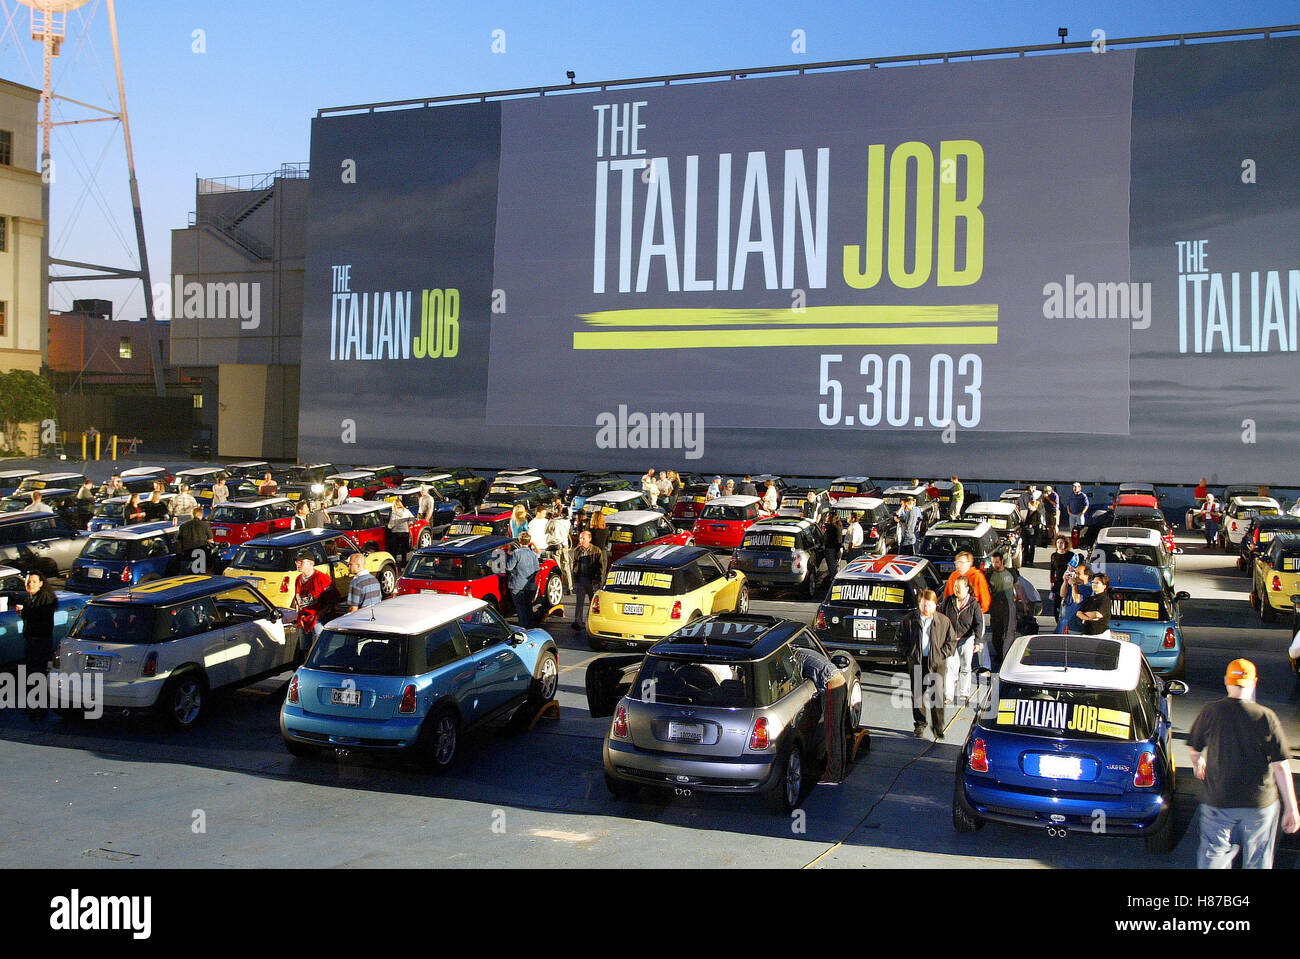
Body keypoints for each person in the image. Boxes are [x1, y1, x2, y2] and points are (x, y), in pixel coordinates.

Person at [1188, 659, 1300, 869]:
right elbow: (1280, 766)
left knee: (1214, 854)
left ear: (1226, 681)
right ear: (1254, 682)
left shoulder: (1211, 712)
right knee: (1258, 858)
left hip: (1218, 800)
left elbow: (1194, 748)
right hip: (1259, 804)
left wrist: (1199, 762)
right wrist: (1292, 808)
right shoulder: (1266, 717)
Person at [900, 589, 957, 739]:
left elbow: (951, 642)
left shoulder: (943, 621)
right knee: (918, 695)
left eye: (930, 605)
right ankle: (919, 724)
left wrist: (941, 655)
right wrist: (909, 654)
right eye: (924, 605)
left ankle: (938, 726)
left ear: (935, 605)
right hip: (917, 662)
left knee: (937, 696)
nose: (927, 608)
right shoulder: (909, 620)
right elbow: (900, 639)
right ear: (919, 604)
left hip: (937, 664)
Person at [792, 643, 849, 784]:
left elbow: (795, 681)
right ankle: (838, 773)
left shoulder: (797, 657)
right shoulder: (806, 652)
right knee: (838, 732)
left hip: (832, 686)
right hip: (840, 683)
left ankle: (832, 776)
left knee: (831, 734)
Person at [17, 571, 57, 721]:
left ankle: (39, 709)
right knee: (31, 673)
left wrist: (25, 613)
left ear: (41, 583)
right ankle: (32, 705)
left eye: (34, 582)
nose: (30, 585)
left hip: (40, 641)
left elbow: (42, 619)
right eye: (28, 582)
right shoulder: (29, 598)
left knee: (37, 674)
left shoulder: (45, 598)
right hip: (32, 640)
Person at [940, 576, 983, 706]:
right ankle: (948, 695)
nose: (956, 589)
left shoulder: (974, 604)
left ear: (967, 589)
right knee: (949, 667)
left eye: (959, 587)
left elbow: (978, 623)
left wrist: (978, 641)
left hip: (967, 640)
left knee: (965, 667)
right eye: (955, 586)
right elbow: (941, 618)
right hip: (951, 640)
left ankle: (964, 693)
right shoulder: (948, 601)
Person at [293, 553, 339, 645]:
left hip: (319, 620)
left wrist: (321, 614)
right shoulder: (298, 579)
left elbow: (334, 598)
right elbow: (298, 600)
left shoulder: (321, 578)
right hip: (305, 619)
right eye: (296, 562)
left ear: (311, 563)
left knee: (317, 647)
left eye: (301, 562)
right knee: (305, 648)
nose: (297, 564)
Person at [985, 552, 1017, 668]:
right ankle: (999, 653)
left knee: (1009, 630)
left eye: (997, 562)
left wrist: (1024, 602)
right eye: (992, 562)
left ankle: (1007, 655)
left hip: (1009, 605)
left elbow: (1018, 586)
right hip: (995, 606)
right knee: (996, 631)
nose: (994, 564)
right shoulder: (989, 575)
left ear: (1002, 561)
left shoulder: (1011, 572)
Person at [506, 531, 541, 629]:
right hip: (530, 585)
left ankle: (523, 627)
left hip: (517, 585)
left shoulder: (517, 553)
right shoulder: (533, 554)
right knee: (528, 606)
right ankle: (530, 626)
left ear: (520, 541)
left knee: (520, 608)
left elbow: (509, 567)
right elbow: (537, 569)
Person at [571, 529, 605, 631]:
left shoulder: (596, 550)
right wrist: (575, 580)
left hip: (592, 580)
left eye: (583, 538)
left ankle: (591, 622)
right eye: (580, 538)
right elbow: (575, 566)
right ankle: (578, 622)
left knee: (592, 603)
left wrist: (597, 579)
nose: (581, 540)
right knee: (579, 602)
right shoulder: (577, 550)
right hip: (581, 579)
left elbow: (601, 567)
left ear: (589, 539)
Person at [1057, 560, 1093, 634]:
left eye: (1078, 573)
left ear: (1087, 576)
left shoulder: (1088, 589)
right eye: (1075, 573)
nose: (1075, 575)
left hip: (1076, 626)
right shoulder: (1075, 587)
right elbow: (1062, 594)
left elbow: (1077, 599)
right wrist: (1065, 581)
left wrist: (1073, 585)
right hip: (1065, 623)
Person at [177, 506, 214, 572]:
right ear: (202, 515)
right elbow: (210, 538)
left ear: (193, 514)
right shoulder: (205, 525)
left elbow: (179, 541)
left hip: (187, 554)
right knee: (200, 576)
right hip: (201, 554)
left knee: (185, 575)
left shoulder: (184, 525)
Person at [1076, 571, 1111, 638]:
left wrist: (1085, 614)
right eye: (1093, 582)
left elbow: (1098, 614)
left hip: (1100, 635)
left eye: (1097, 583)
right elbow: (1078, 613)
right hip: (1087, 634)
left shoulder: (1105, 600)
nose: (1094, 584)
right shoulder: (1089, 599)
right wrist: (1089, 618)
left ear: (1104, 586)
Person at [1048, 535, 1073, 621]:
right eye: (1058, 542)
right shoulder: (1054, 555)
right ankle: (1057, 619)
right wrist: (1051, 583)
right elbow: (1052, 570)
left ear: (1065, 544)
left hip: (1068, 581)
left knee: (1067, 599)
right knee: (1057, 602)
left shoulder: (1070, 555)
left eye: (1061, 542)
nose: (1059, 544)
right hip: (1058, 581)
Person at [386, 497, 413, 565]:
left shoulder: (394, 513)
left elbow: (391, 524)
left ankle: (394, 563)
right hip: (405, 532)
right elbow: (412, 518)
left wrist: (387, 527)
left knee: (394, 549)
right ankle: (404, 564)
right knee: (404, 550)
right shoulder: (406, 511)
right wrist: (409, 522)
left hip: (396, 533)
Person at [823, 514, 843, 579]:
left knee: (833, 568)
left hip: (832, 549)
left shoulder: (833, 527)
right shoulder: (835, 527)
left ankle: (834, 581)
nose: (826, 517)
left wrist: (836, 552)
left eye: (827, 516)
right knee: (834, 567)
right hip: (834, 549)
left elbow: (838, 541)